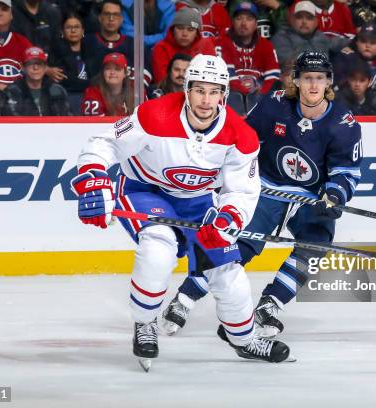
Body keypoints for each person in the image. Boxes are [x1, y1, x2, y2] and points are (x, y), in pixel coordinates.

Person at [70, 54, 292, 367]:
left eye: (214, 91)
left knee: (229, 272)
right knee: (158, 246)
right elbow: (104, 143)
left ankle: (244, 340)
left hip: (197, 201)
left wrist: (228, 218)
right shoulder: (153, 115)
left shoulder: (240, 136)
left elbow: (241, 190)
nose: (206, 99)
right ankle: (145, 323)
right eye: (199, 90)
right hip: (144, 190)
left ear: (223, 95)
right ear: (186, 89)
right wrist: (94, 181)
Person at [162, 51, 363, 338]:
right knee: (235, 245)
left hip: (311, 196)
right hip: (267, 187)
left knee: (315, 247)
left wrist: (335, 194)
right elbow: (243, 139)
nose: (314, 86)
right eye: (307, 79)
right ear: (296, 81)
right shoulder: (275, 105)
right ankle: (183, 300)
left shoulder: (344, 124)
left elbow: (347, 171)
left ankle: (269, 305)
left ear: (329, 82)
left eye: (320, 79)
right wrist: (228, 175)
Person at [216, 1, 281, 114]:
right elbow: (227, 76)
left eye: (249, 19)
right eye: (239, 18)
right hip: (232, 94)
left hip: (259, 94)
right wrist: (247, 90)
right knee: (234, 97)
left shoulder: (265, 44)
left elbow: (273, 77)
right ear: (233, 22)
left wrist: (262, 93)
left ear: (256, 24)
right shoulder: (223, 41)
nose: (243, 23)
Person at [271, 1, 349, 69]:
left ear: (316, 22)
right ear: (292, 20)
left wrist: (355, 43)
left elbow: (340, 42)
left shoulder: (320, 36)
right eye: (299, 17)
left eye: (309, 18)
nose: (304, 22)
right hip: (294, 80)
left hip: (321, 80)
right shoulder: (281, 37)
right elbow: (288, 62)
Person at [332, 23, 376, 94]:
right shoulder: (345, 57)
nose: (367, 45)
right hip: (350, 100)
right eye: (363, 41)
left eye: (373, 42)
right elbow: (336, 86)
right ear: (357, 42)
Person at [151, 7, 216, 84]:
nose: (184, 34)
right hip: (169, 93)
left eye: (190, 29)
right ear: (173, 30)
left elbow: (211, 78)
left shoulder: (206, 45)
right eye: (180, 28)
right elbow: (162, 81)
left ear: (197, 33)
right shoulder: (161, 48)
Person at [5, 46, 71, 115]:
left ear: (45, 67)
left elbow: (67, 118)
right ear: (23, 67)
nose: (35, 68)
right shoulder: (13, 91)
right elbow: (11, 120)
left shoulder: (57, 90)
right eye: (31, 63)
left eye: (39, 64)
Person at [48, 12, 90, 113]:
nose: (73, 31)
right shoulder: (56, 52)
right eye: (68, 27)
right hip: (68, 98)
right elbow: (66, 81)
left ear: (83, 30)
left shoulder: (91, 51)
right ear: (62, 31)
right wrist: (89, 84)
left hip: (90, 97)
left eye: (77, 27)